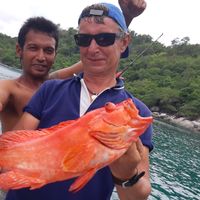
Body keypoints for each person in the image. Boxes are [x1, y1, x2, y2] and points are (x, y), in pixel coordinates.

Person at [5, 2, 153, 200]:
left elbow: (138, 196)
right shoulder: (51, 89)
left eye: (104, 38)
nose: (93, 48)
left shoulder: (138, 112)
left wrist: (126, 176)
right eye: (84, 39)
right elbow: (12, 148)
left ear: (124, 42)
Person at [0, 0, 146, 134]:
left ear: (55, 54)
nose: (41, 57)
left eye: (48, 51)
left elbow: (98, 54)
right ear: (19, 50)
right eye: (33, 48)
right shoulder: (8, 88)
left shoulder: (53, 84)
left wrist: (125, 18)